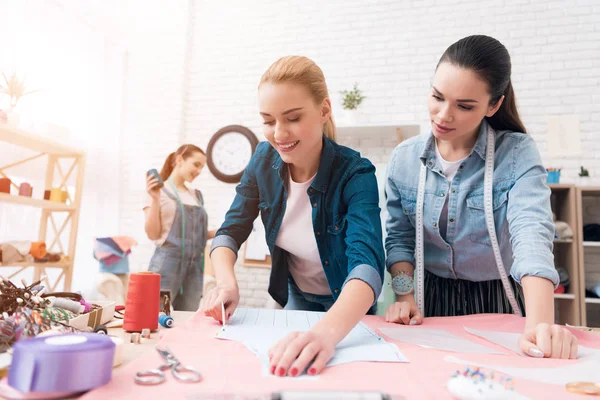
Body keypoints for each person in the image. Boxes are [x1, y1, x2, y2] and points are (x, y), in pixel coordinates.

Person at [384, 35, 578, 360]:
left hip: (498, 295)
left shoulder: (515, 153)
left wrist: (542, 323)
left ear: (493, 105)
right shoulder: (404, 159)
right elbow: (399, 237)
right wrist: (404, 297)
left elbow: (531, 232)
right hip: (429, 297)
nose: (443, 115)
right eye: (437, 97)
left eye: (464, 106)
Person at [201, 56, 385, 376]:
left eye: (293, 118)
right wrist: (227, 283)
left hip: (348, 306)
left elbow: (367, 263)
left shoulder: (356, 173)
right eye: (268, 120)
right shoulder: (263, 159)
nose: (279, 133)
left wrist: (325, 335)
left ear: (324, 110)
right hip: (299, 296)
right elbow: (230, 230)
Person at [144, 144, 215, 311]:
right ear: (179, 160)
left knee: (186, 321)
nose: (198, 171)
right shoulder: (158, 191)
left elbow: (197, 236)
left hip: (195, 268)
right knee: (155, 317)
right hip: (166, 265)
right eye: (196, 164)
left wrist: (226, 231)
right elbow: (153, 234)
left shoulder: (196, 195)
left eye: (202, 167)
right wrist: (154, 199)